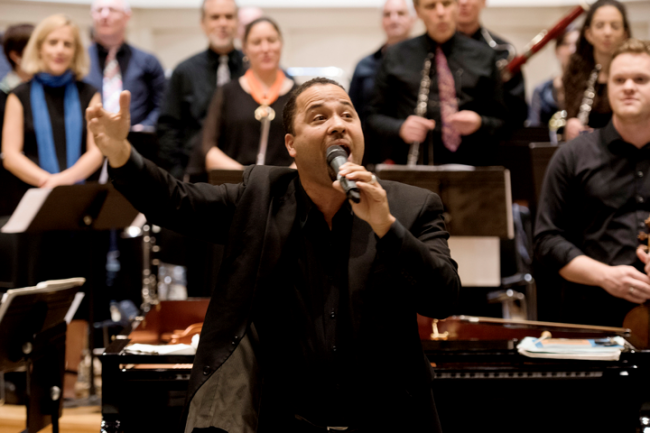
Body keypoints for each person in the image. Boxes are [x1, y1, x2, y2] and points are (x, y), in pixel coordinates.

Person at [87, 77, 460, 432]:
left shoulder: (411, 206)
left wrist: (386, 227)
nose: (337, 125)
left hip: (389, 419)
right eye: (319, 117)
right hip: (284, 420)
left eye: (348, 115)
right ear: (291, 144)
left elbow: (443, 297)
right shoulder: (259, 198)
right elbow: (176, 203)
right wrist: (120, 153)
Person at [534, 38, 650, 327]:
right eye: (619, 79)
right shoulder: (572, 155)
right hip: (591, 318)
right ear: (606, 86)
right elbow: (547, 240)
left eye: (641, 79)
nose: (628, 87)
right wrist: (605, 276)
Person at [366, 0, 507, 167]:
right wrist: (400, 128)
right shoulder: (396, 55)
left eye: (446, 3)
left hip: (471, 167)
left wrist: (479, 122)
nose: (440, 12)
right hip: (409, 168)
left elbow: (503, 120)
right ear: (418, 11)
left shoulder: (484, 56)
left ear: (456, 6)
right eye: (431, 6)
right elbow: (372, 117)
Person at [2, 14, 103, 189]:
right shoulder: (18, 96)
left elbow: (96, 151)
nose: (60, 50)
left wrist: (63, 180)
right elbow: (11, 156)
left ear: (76, 51)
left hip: (82, 194)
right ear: (39, 48)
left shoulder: (90, 94)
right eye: (53, 42)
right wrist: (49, 183)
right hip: (32, 194)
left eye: (67, 44)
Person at [157, 0, 245, 179]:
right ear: (203, 24)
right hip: (195, 176)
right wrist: (178, 176)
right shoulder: (184, 71)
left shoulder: (253, 70)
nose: (222, 23)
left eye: (229, 17)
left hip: (245, 173)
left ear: (237, 22)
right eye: (215, 17)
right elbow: (168, 128)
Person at [203, 17, 295, 170]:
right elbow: (208, 148)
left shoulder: (299, 95)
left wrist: (278, 180)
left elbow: (309, 148)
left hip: (284, 187)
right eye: (256, 42)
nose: (265, 48)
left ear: (281, 44)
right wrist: (249, 179)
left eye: (271, 40)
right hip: (237, 186)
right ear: (245, 48)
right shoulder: (227, 92)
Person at [349, 0, 415, 167]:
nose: (394, 19)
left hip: (411, 155)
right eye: (388, 14)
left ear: (413, 19)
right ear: (382, 22)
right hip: (372, 156)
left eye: (401, 13)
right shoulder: (364, 65)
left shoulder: (427, 62)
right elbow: (351, 113)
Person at [85, 0, 166, 130]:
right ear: (92, 15)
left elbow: (162, 104)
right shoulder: (78, 61)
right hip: (88, 141)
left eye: (112, 9)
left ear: (127, 16)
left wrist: (145, 126)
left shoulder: (148, 61)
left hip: (136, 141)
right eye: (99, 10)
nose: (104, 15)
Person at [563, 0, 630, 141]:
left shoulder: (635, 74)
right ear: (588, 34)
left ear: (625, 34)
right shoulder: (574, 72)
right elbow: (571, 116)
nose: (607, 32)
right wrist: (570, 125)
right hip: (586, 154)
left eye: (615, 26)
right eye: (600, 26)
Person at [456, 0, 528, 129]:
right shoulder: (432, 50)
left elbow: (517, 114)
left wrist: (482, 122)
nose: (463, 2)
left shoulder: (503, 52)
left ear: (483, 2)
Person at [528, 28, 579, 128]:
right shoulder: (541, 90)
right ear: (557, 51)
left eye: (578, 44)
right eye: (566, 44)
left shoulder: (592, 87)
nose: (573, 50)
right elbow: (533, 128)